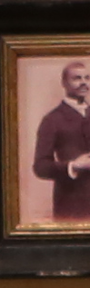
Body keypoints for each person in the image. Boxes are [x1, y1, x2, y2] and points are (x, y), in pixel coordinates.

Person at [30, 60, 90, 221]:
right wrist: (73, 166)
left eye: (87, 78)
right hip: (72, 207)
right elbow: (40, 167)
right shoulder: (52, 119)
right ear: (64, 83)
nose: (84, 83)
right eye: (77, 78)